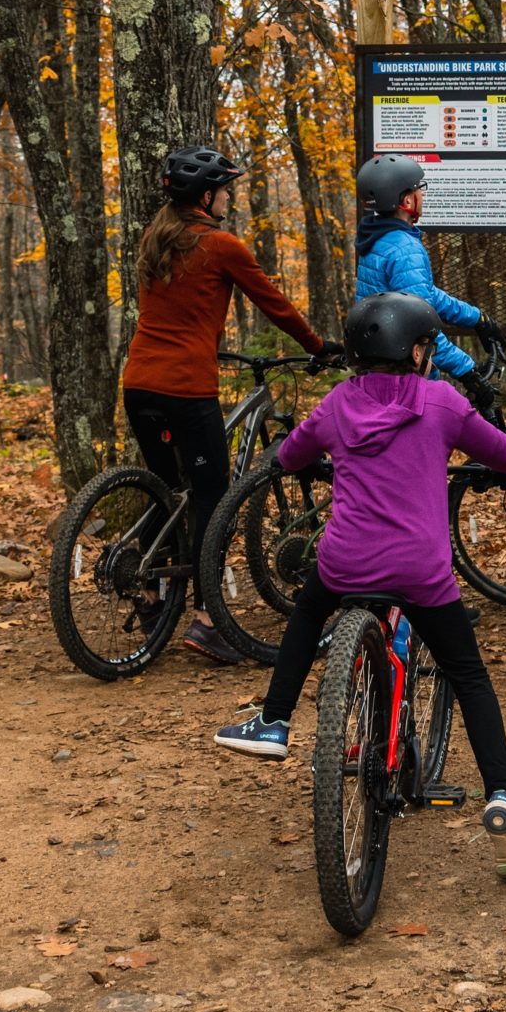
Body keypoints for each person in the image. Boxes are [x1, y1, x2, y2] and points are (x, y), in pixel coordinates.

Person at [211, 293, 506, 882]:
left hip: (346, 564)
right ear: (418, 352)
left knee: (309, 611)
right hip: (420, 570)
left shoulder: (337, 405)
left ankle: (276, 720)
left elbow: (288, 456)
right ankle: (502, 796)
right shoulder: (442, 402)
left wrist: (293, 463)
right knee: (468, 674)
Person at [118, 144, 330, 663]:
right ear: (206, 195)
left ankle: (150, 593)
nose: (230, 197)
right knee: (215, 500)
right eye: (226, 189)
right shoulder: (220, 245)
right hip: (186, 388)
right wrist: (320, 348)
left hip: (139, 382)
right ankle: (210, 622)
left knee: (167, 491)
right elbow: (275, 305)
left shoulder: (155, 237)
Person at [353, 155, 505, 418]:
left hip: (382, 368)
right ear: (407, 201)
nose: (422, 195)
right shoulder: (404, 248)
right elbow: (421, 325)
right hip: (407, 375)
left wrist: (477, 318)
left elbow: (424, 295)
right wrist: (467, 372)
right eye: (417, 189)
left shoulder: (378, 240)